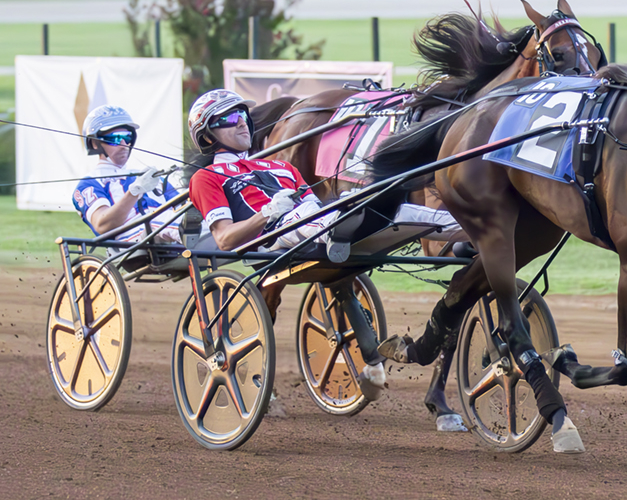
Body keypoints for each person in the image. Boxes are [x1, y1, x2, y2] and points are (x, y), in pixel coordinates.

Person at [187, 89, 463, 401]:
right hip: (277, 235)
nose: (242, 123)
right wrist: (266, 214)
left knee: (404, 211)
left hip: (316, 220)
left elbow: (312, 206)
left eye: (243, 116)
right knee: (341, 212)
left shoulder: (282, 168)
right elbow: (224, 239)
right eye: (228, 119)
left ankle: (467, 231)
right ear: (208, 136)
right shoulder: (207, 178)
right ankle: (362, 209)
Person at [73, 105, 181, 243]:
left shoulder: (147, 176)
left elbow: (182, 208)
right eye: (115, 138)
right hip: (130, 240)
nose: (124, 144)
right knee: (164, 221)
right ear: (95, 143)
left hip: (165, 231)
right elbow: (101, 224)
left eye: (127, 137)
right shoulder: (89, 183)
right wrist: (135, 191)